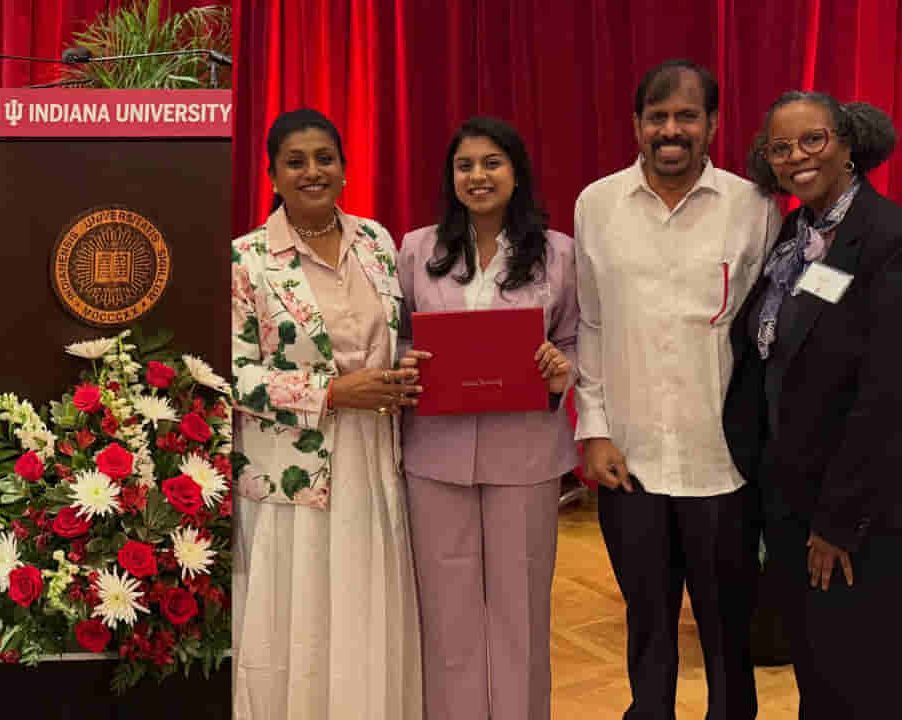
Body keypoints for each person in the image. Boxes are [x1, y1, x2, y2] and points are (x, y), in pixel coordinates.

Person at [572, 59, 781, 719]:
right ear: (636, 124)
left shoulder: (754, 206)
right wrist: (593, 428)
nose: (671, 130)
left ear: (712, 124)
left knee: (727, 633)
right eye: (657, 117)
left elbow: (768, 331)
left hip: (722, 461)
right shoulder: (597, 205)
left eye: (686, 116)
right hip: (629, 459)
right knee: (649, 628)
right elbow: (591, 324)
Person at [230, 108, 423, 720]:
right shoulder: (246, 259)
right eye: (295, 162)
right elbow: (233, 375)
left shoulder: (377, 242)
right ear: (272, 175)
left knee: (367, 608)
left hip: (376, 457)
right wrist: (332, 393)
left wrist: (408, 367)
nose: (312, 171)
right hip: (292, 470)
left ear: (344, 168)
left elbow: (399, 335)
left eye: (324, 159)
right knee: (299, 619)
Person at [723, 91, 902, 718]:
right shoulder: (795, 235)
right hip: (790, 499)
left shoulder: (886, 238)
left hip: (855, 514)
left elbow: (886, 395)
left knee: (860, 678)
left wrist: (837, 522)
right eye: (780, 148)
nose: (797, 157)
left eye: (813, 140)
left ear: (848, 144)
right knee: (818, 673)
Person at [396, 116, 578, 720]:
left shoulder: (559, 253)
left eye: (492, 163)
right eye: (465, 165)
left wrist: (562, 368)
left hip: (525, 454)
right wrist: (405, 360)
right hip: (436, 453)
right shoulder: (417, 249)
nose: (478, 176)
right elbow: (395, 335)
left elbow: (575, 341)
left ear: (516, 173)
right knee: (445, 610)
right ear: (451, 177)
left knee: (520, 608)